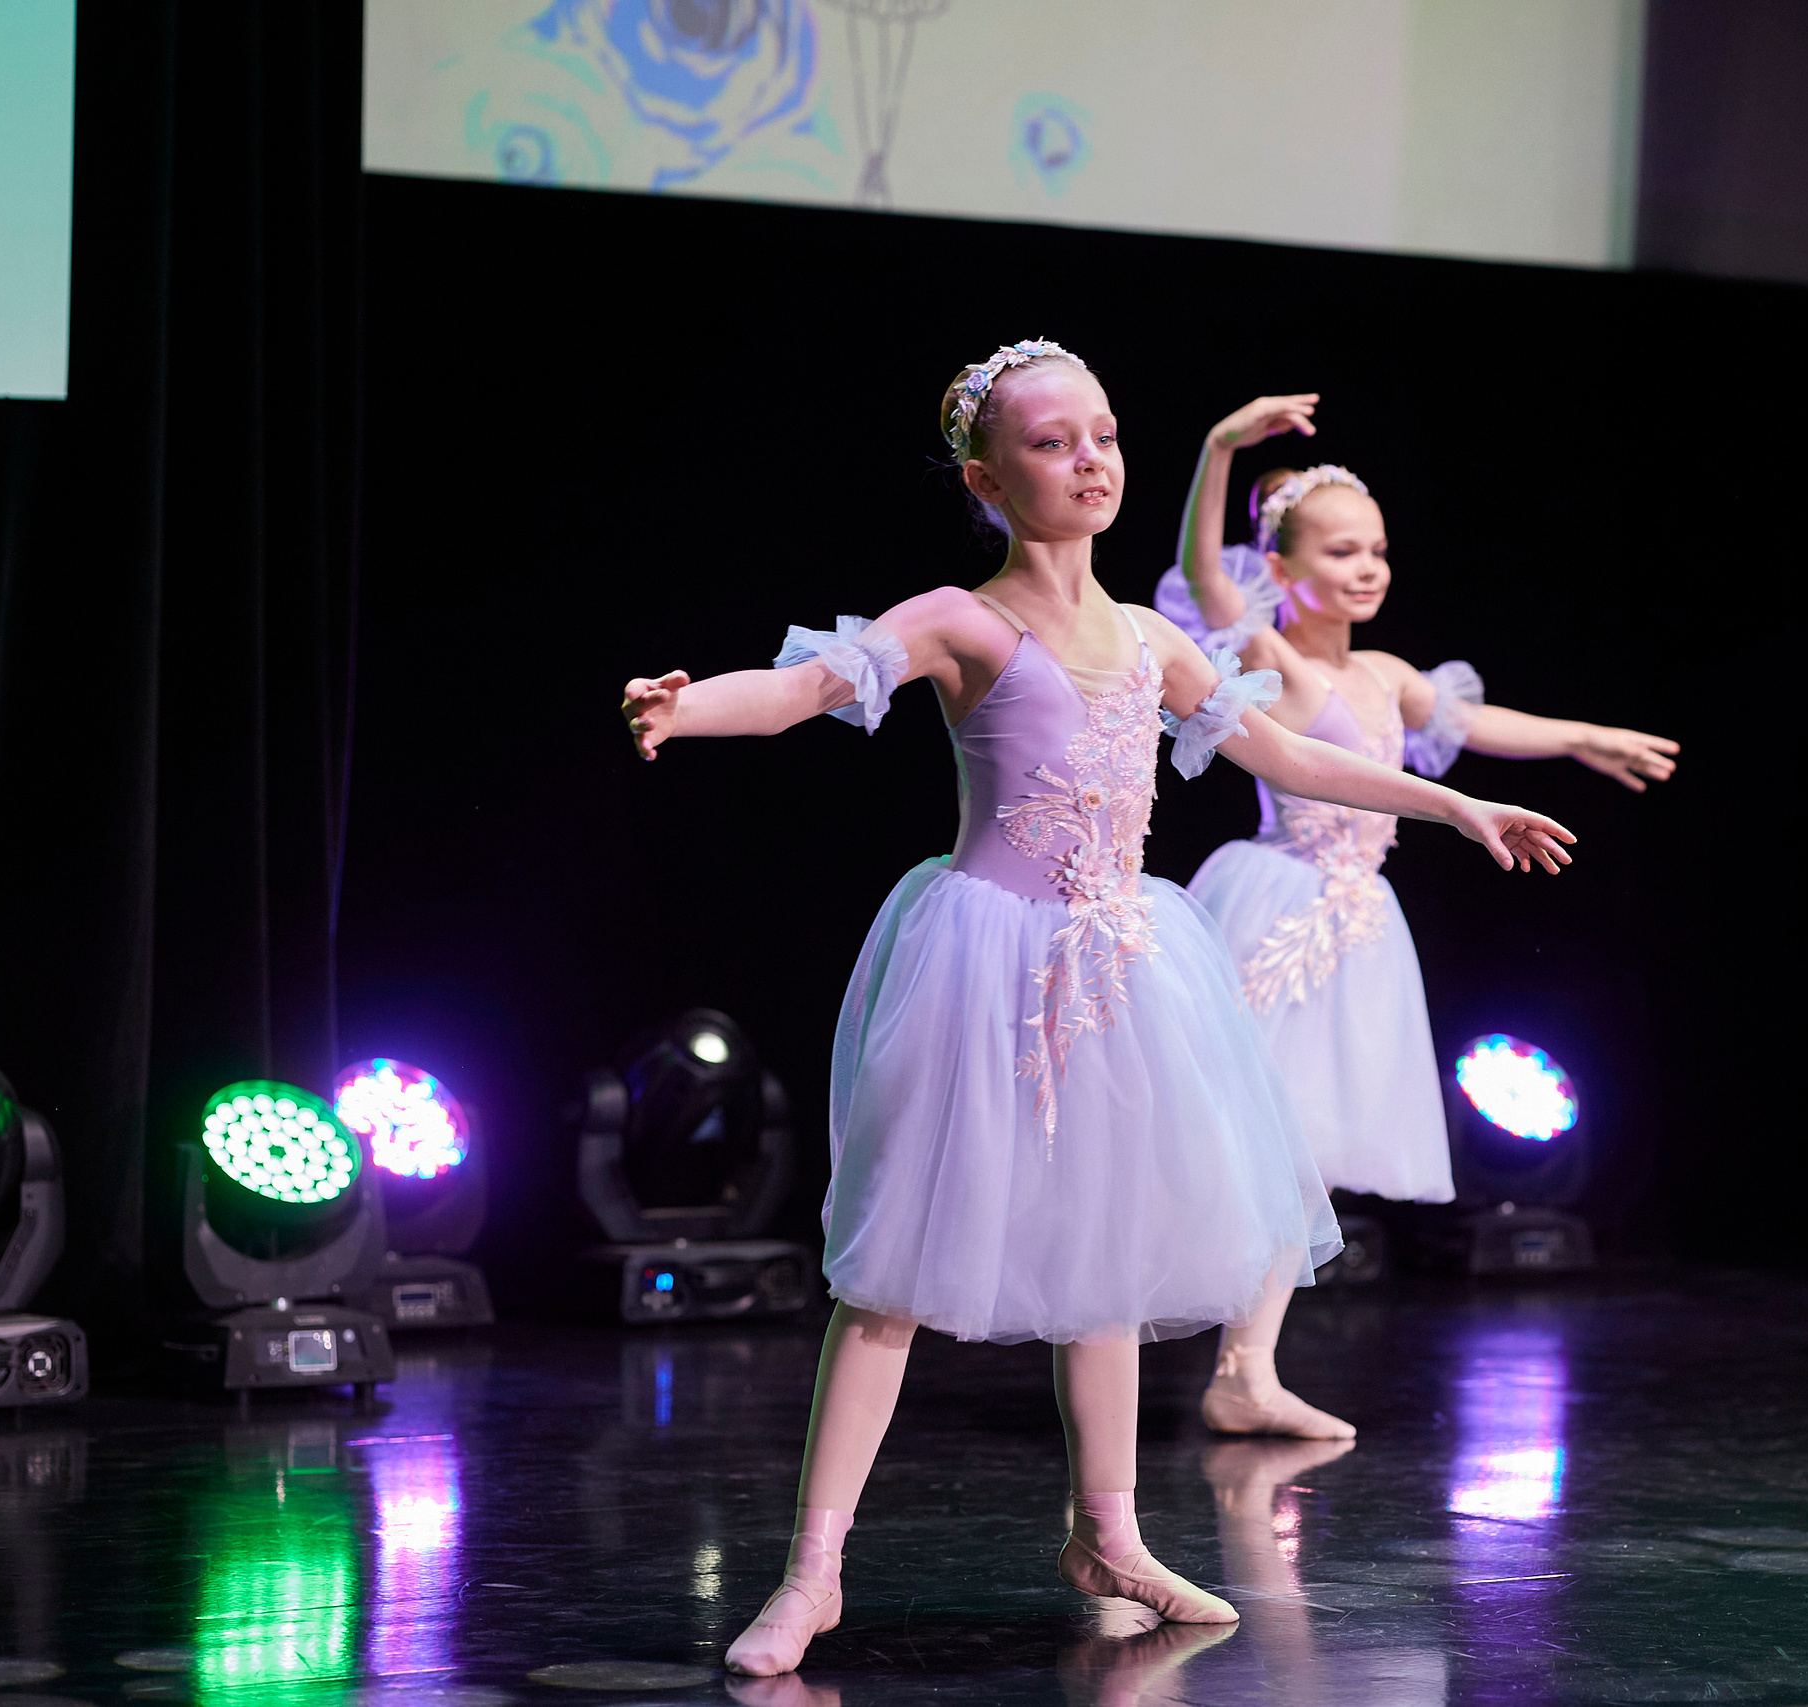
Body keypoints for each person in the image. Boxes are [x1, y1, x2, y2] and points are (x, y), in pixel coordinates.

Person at [618, 342, 1577, 1676]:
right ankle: (814, 1567)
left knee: (1110, 1256)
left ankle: (1110, 1530)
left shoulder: (1154, 637)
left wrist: (1456, 801)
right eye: (1057, 440)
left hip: (1125, 964)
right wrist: (690, 704)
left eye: (1106, 434)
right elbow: (806, 688)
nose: (1093, 459)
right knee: (892, 1275)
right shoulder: (965, 619)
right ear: (987, 476)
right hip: (984, 962)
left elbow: (1294, 751)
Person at [1155, 395, 1678, 1440]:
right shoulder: (1271, 653)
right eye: (1341, 550)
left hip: (1358, 928)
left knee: (1297, 1153)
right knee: (1229, 1140)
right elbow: (1207, 579)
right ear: (1285, 566)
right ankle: (1149, 1337)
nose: (1366, 568)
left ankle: (1244, 1370)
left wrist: (1582, 736)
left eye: (1377, 551)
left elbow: (1475, 721)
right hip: (1277, 910)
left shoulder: (1386, 674)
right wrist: (1218, 449)